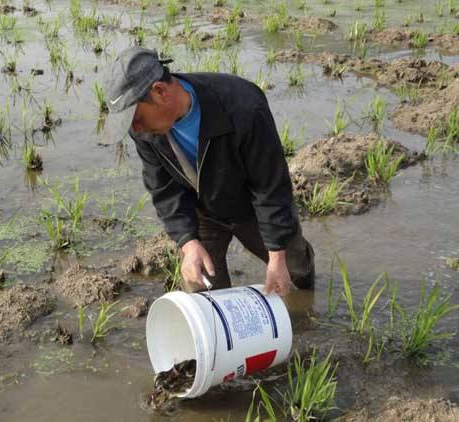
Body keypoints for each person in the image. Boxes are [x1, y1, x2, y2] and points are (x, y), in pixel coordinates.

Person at [101, 47, 314, 296]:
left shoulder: (243, 106)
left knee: (295, 269)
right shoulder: (144, 131)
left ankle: (306, 297)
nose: (135, 129)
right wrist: (188, 242)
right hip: (202, 210)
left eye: (136, 118)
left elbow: (270, 185)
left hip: (252, 206)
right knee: (199, 287)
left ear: (159, 91)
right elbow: (163, 189)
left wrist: (277, 256)